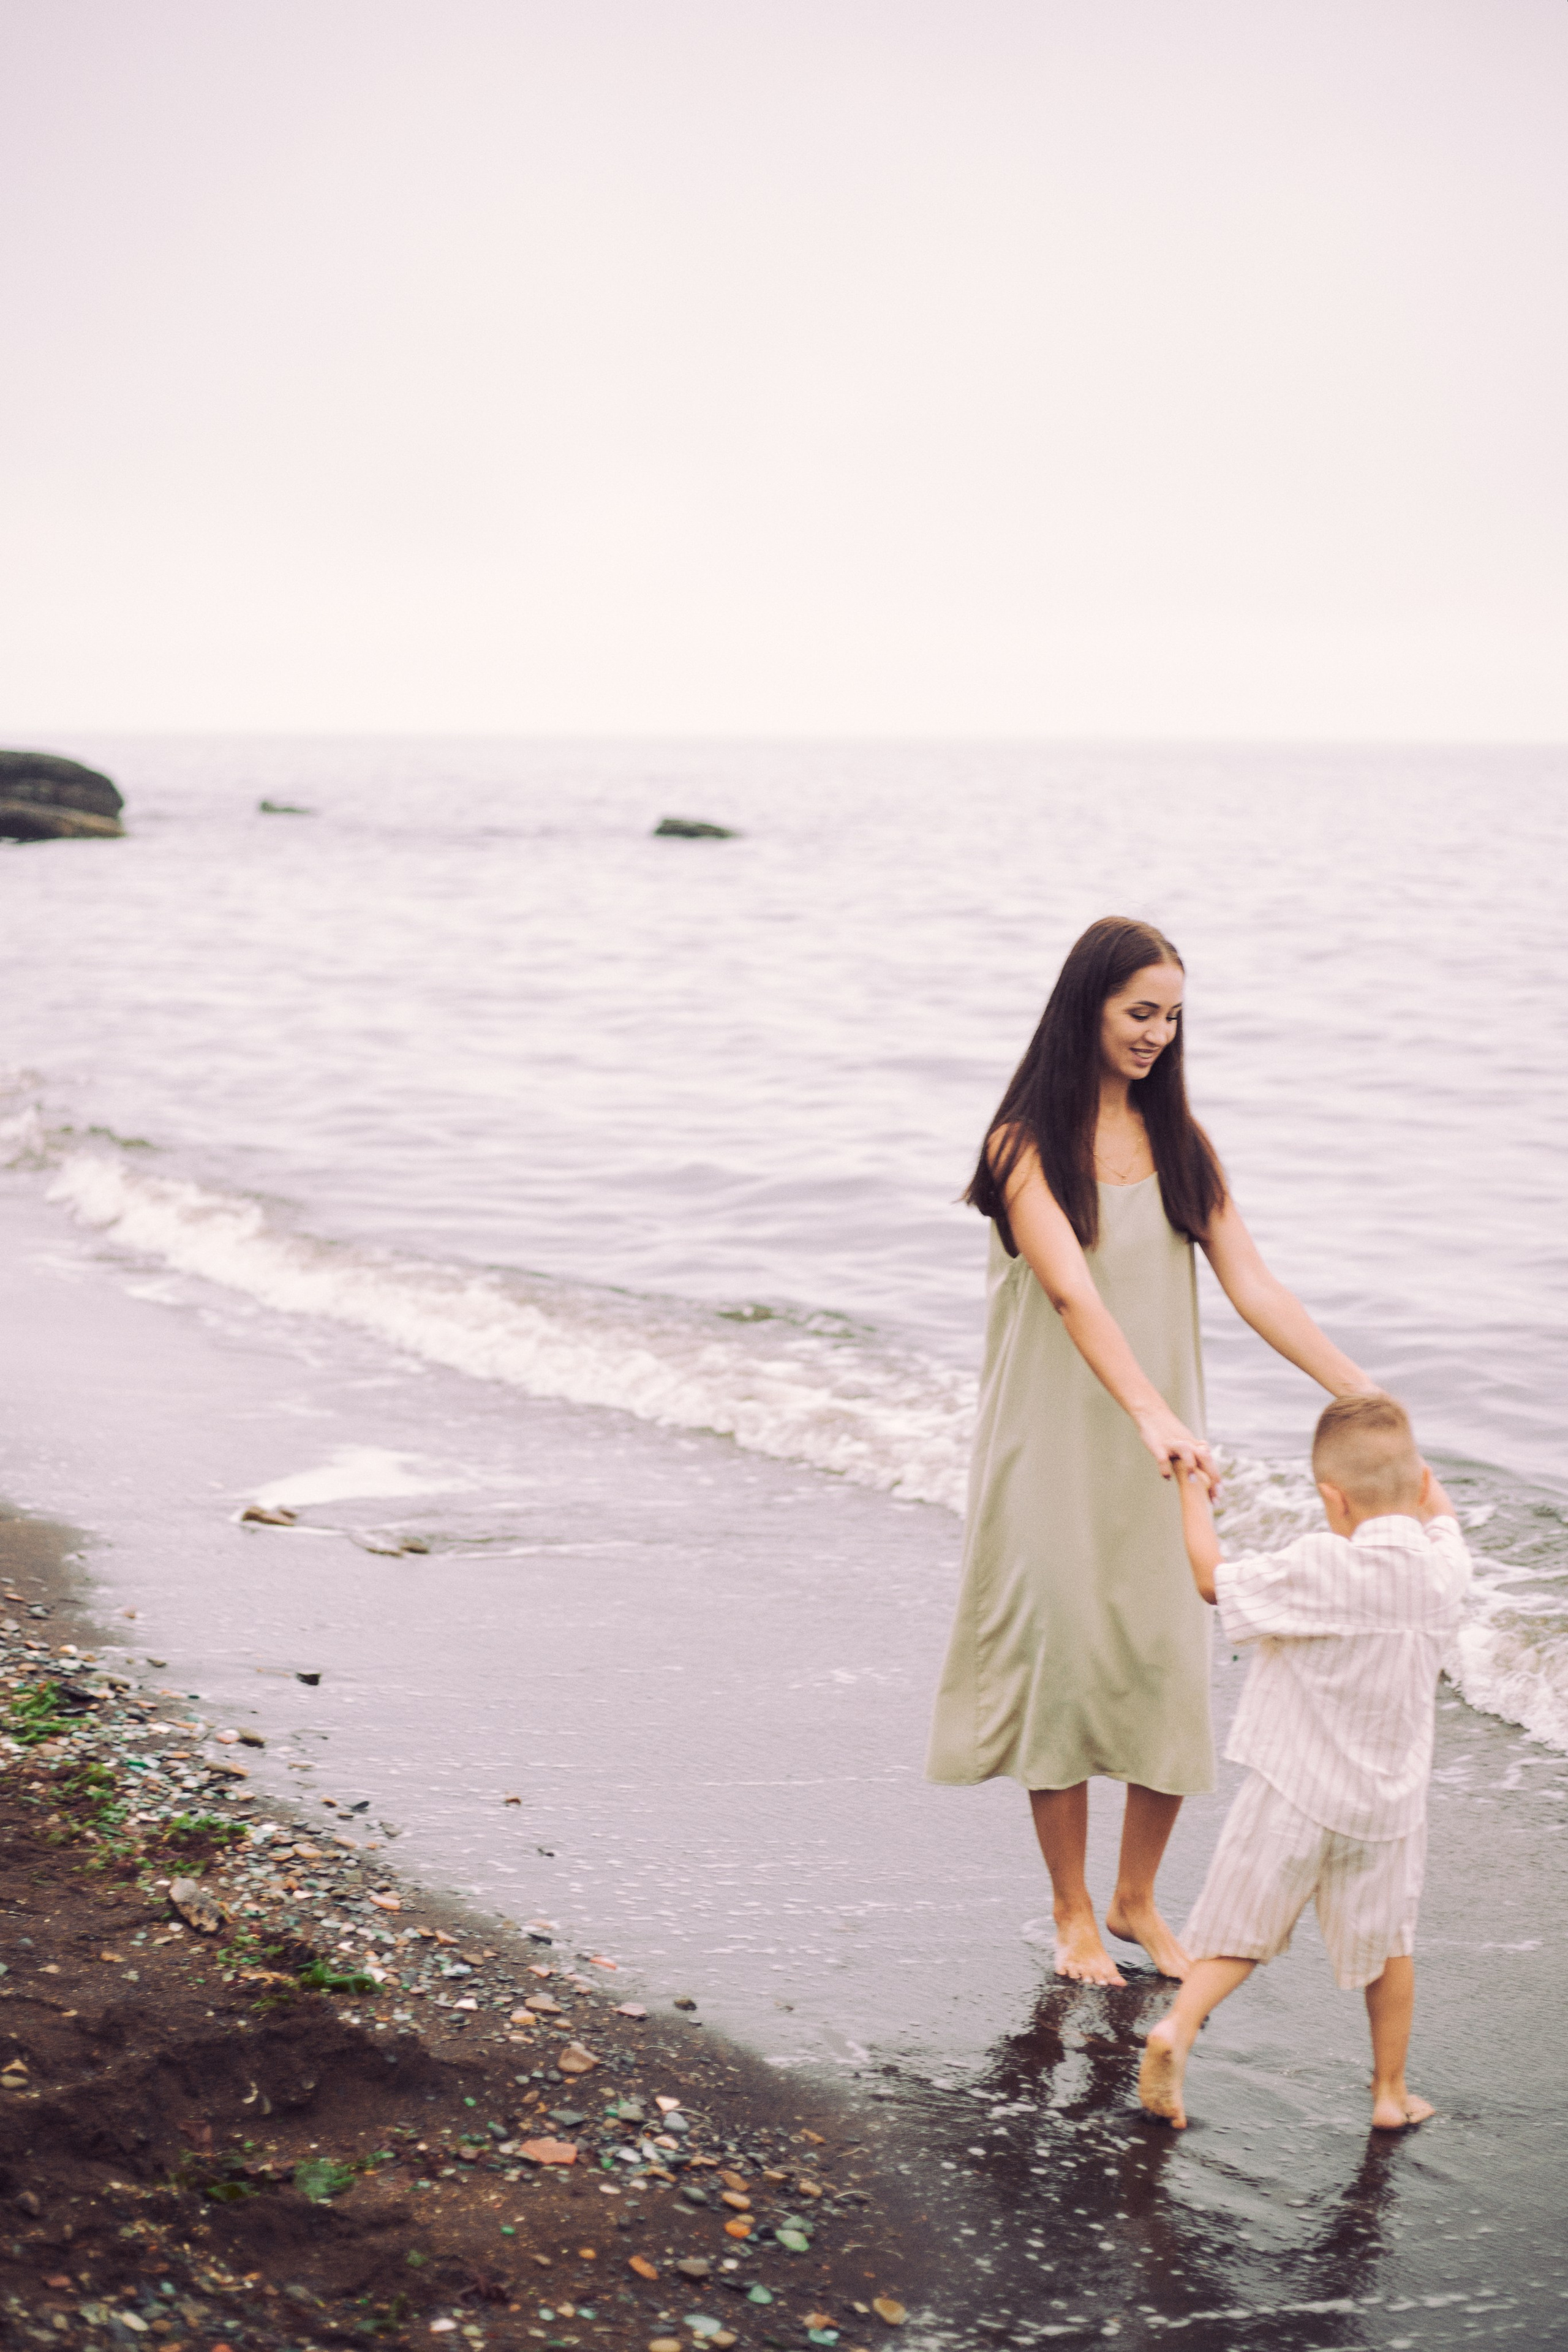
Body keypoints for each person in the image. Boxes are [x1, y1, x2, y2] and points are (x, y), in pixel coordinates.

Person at [926, 916, 1372, 1986]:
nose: (1159, 1036)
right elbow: (1074, 1294)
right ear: (1088, 1005)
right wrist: (1150, 1412)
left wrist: (1362, 1395)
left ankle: (1137, 1899)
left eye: (1173, 1017)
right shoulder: (1023, 1144)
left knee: (1166, 1660)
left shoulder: (1182, 1143)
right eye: (1140, 1013)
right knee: (1064, 1663)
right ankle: (1073, 1913)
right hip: (1058, 1444)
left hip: (1163, 1452)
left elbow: (1253, 1281)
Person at [1139, 1392, 1471, 2131]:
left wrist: (1192, 1487)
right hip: (1385, 1810)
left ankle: (1177, 2028)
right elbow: (1442, 1518)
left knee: (1235, 1935)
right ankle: (1389, 2095)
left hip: (1290, 1791)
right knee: (1388, 1948)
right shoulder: (1443, 1571)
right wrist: (1416, 1467)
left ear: (1331, 1498)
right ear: (1418, 1487)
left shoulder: (1320, 1565)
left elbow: (1210, 1578)